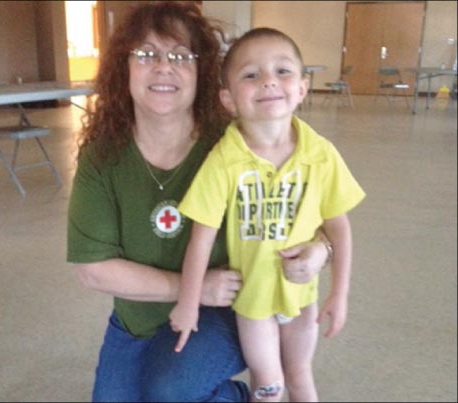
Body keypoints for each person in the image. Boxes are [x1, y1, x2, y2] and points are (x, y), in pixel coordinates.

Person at [67, 2, 329, 402]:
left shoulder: (238, 144)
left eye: (180, 56)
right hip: (138, 319)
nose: (163, 67)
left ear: (202, 72)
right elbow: (94, 271)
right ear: (124, 68)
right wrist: (194, 288)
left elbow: (318, 210)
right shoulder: (103, 156)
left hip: (225, 314)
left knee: (168, 391)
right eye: (146, 54)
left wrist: (320, 249)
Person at [170, 27, 366, 402]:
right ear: (228, 99)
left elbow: (339, 228)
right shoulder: (223, 160)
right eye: (250, 74)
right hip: (253, 303)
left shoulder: (321, 154)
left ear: (303, 88)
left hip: (302, 298)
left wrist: (339, 294)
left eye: (282, 71)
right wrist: (188, 303)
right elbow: (201, 238)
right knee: (269, 382)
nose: (268, 82)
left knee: (299, 375)